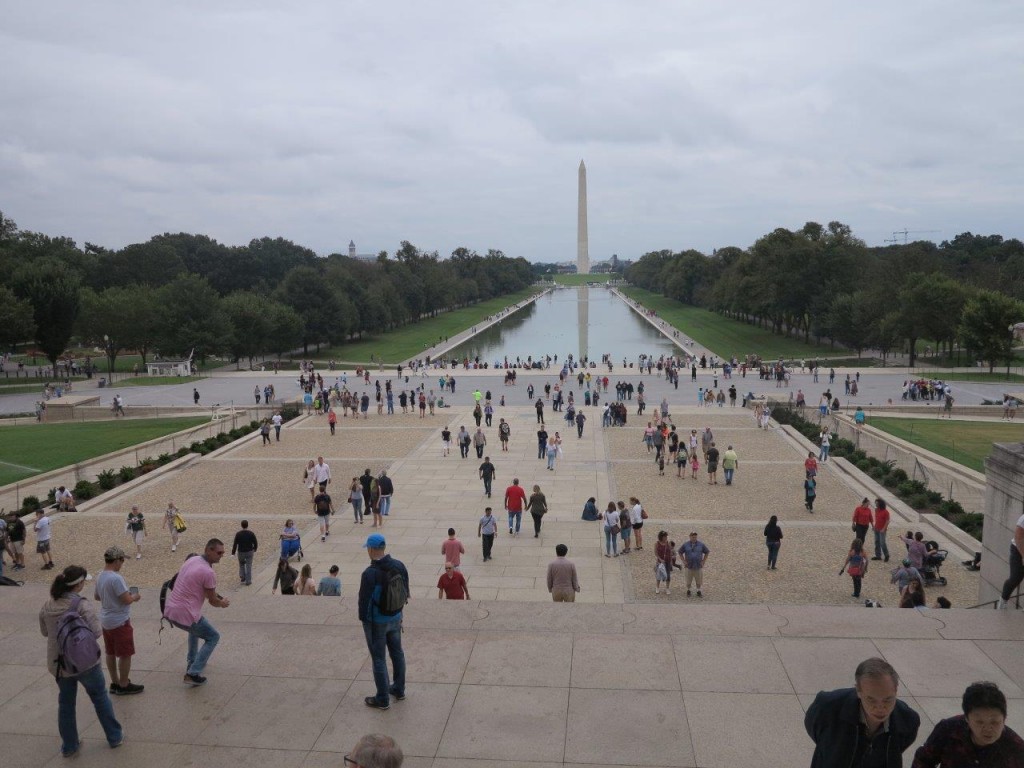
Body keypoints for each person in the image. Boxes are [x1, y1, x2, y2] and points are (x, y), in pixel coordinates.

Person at [40, 565, 124, 757]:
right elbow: (96, 631)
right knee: (100, 697)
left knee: (66, 703)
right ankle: (114, 736)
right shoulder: (81, 605)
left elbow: (45, 632)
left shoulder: (48, 605)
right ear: (78, 584)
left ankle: (69, 745)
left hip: (60, 665)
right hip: (85, 662)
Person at [805, 657, 920, 768]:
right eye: (871, 699)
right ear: (858, 691)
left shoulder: (908, 720)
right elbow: (814, 727)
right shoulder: (828, 707)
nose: (880, 708)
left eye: (887, 699)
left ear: (896, 690)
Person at [162, 539, 230, 686]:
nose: (221, 556)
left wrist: (218, 597)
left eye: (223, 553)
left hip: (171, 609)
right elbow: (212, 600)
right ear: (209, 550)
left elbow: (205, 590)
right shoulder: (208, 572)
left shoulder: (192, 560)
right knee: (213, 637)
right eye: (219, 552)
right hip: (187, 613)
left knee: (195, 630)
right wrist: (222, 603)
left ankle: (192, 662)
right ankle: (193, 673)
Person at [912, 681, 1024, 767]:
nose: (988, 729)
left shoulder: (1016, 750)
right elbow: (923, 760)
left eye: (994, 722)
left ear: (1004, 718)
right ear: (966, 718)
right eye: (979, 722)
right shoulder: (949, 730)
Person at [358, 533, 409, 710]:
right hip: (395, 617)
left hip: (377, 622)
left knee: (378, 659)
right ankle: (399, 689)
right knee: (397, 653)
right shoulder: (399, 565)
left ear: (371, 550)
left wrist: (364, 621)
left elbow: (364, 602)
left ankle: (382, 698)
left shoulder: (370, 573)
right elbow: (405, 591)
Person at [94, 546, 144, 695]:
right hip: (119, 620)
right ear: (116, 561)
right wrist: (135, 596)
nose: (122, 563)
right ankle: (124, 684)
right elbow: (127, 599)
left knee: (110, 652)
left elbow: (97, 596)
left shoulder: (100, 575)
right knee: (125, 653)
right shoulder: (116, 578)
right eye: (122, 560)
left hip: (106, 619)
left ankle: (114, 682)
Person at [997, 509, 1024, 609]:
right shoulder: (1023, 519)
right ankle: (1003, 601)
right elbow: (1018, 538)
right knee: (1016, 577)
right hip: (1018, 549)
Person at [679, 531, 710, 597]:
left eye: (695, 537)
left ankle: (698, 590)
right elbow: (680, 552)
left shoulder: (701, 544)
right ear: (690, 537)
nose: (694, 538)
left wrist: (703, 561)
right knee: (688, 580)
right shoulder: (685, 545)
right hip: (688, 566)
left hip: (698, 566)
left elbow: (707, 552)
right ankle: (688, 590)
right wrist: (684, 561)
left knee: (699, 580)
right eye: (693, 537)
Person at [231, 519, 258, 586]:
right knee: (249, 566)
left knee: (241, 564)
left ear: (241, 525)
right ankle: (248, 581)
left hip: (241, 552)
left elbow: (235, 544)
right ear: (247, 525)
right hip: (249, 551)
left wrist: (233, 552)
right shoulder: (251, 533)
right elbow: (255, 542)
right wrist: (255, 548)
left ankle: (242, 576)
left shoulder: (238, 534)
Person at [654, 530, 673, 595]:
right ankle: (657, 587)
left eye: (666, 536)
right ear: (661, 537)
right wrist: (660, 559)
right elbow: (656, 553)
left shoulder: (668, 543)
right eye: (664, 536)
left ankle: (667, 588)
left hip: (667, 561)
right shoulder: (657, 543)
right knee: (659, 575)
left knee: (668, 575)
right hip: (660, 562)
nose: (665, 538)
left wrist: (671, 561)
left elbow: (670, 552)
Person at [872, 498, 891, 562]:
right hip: (876, 528)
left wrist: (884, 529)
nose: (876, 504)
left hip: (882, 530)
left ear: (880, 504)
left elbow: (887, 521)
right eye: (876, 503)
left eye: (877, 503)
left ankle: (886, 555)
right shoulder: (876, 510)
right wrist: (874, 526)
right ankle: (878, 556)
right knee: (876, 542)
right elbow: (877, 519)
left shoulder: (886, 512)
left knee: (882, 543)